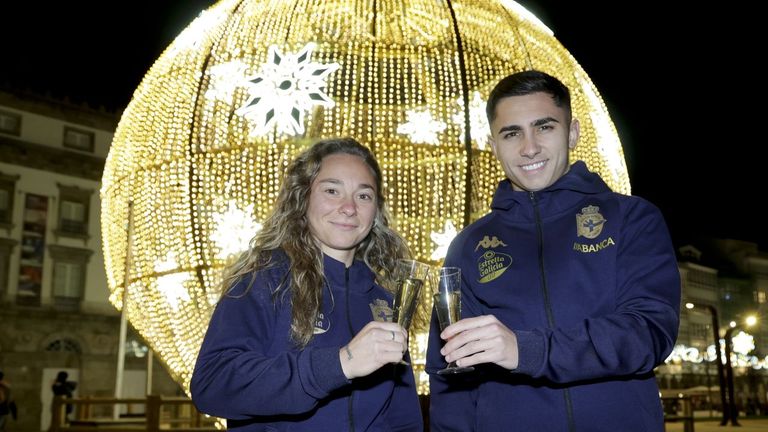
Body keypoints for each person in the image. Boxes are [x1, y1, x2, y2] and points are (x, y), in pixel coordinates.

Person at [426, 70, 680, 431]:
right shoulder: (468, 246)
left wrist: (525, 350)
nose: (529, 147)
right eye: (511, 133)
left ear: (573, 132)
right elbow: (450, 376)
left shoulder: (632, 218)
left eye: (544, 127)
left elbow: (649, 332)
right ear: (494, 144)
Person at [191, 137, 423, 431]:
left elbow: (401, 415)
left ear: (376, 210)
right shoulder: (264, 278)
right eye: (331, 190)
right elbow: (213, 384)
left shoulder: (383, 298)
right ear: (303, 198)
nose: (349, 207)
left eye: (364, 196)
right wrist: (339, 364)